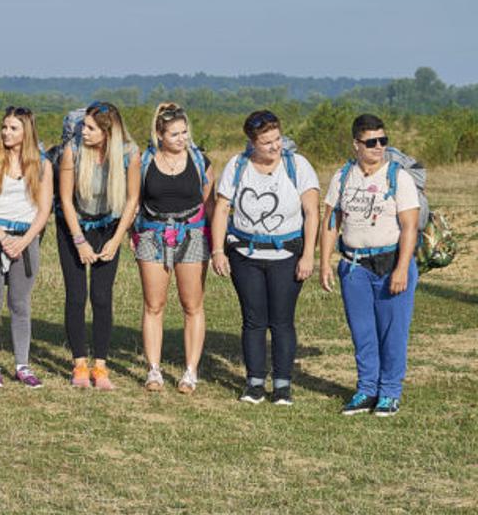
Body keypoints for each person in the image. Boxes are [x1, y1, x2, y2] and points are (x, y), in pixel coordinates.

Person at [209, 109, 319, 406]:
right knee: (253, 320)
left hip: (287, 253)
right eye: (267, 142)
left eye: (278, 139)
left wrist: (309, 254)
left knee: (282, 321)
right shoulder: (238, 165)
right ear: (252, 142)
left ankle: (282, 384)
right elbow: (221, 209)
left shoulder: (298, 166)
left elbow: (312, 212)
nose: (275, 146)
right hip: (245, 254)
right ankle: (254, 382)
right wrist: (218, 250)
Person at [320, 113, 421, 417]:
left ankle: (389, 392)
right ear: (356, 144)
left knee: (393, 331)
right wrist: (324, 263)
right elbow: (331, 222)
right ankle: (366, 390)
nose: (379, 147)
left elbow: (409, 227)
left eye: (383, 140)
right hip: (354, 266)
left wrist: (402, 268)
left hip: (391, 262)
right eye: (371, 142)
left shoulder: (397, 177)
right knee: (362, 332)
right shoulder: (342, 176)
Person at [0, 106, 52, 388]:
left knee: (20, 303)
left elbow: (44, 210)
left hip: (25, 238)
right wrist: (2, 239)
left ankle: (22, 364)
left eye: (13, 128)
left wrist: (24, 241)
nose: (6, 132)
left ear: (26, 131)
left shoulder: (42, 164)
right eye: (4, 127)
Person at [57, 102, 139, 391]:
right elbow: (65, 199)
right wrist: (79, 241)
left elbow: (132, 200)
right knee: (77, 295)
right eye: (83, 126)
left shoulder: (130, 153)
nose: (83, 131)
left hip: (109, 225)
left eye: (90, 128)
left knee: (102, 296)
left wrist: (116, 240)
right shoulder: (73, 150)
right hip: (74, 224)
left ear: (108, 132)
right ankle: (79, 363)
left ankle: (100, 366)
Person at [132, 103, 213, 393]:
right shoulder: (145, 161)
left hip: (191, 233)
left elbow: (208, 199)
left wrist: (215, 242)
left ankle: (190, 372)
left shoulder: (199, 160)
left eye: (184, 132)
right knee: (154, 305)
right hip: (152, 234)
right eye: (175, 134)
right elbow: (135, 199)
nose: (182, 138)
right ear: (159, 135)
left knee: (192, 305)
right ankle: (154, 370)